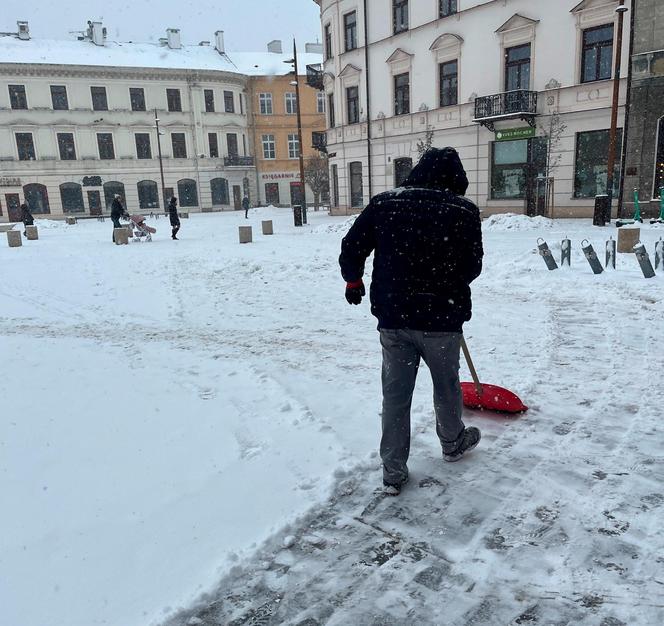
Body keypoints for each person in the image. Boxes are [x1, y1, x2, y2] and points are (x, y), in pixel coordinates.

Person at [339, 147, 484, 496]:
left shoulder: (385, 203)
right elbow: (472, 266)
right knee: (446, 386)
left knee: (396, 394)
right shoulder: (463, 211)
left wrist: (353, 279)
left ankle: (392, 470)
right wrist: (442, 282)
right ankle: (452, 442)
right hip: (441, 320)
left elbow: (352, 246)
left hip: (394, 318)